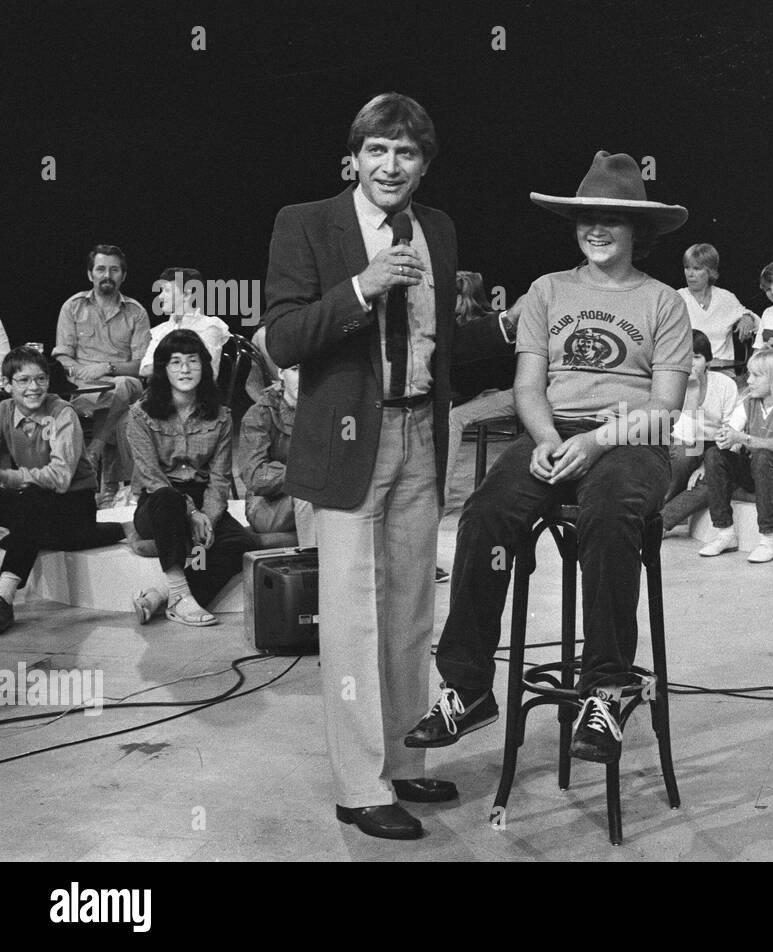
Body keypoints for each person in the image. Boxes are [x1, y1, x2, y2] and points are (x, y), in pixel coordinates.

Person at [263, 93, 506, 841]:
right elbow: (281, 338)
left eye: (406, 153)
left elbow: (433, 340)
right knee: (348, 619)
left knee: (408, 610)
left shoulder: (438, 229)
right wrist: (362, 289)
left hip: (419, 435)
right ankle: (358, 785)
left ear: (423, 165)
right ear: (355, 157)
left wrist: (507, 328)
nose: (390, 165)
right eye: (377, 150)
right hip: (346, 445)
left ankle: (403, 759)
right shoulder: (305, 223)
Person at [403, 150, 691, 769]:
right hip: (552, 431)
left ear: (637, 231)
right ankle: (469, 688)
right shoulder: (547, 291)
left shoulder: (664, 302)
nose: (596, 228)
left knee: (610, 513)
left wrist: (593, 443)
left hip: (631, 439)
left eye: (611, 219)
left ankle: (606, 691)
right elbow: (529, 387)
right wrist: (548, 440)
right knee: (485, 514)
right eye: (586, 216)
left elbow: (664, 408)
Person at [125, 330, 256, 627]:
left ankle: (162, 596)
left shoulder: (221, 416)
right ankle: (181, 594)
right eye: (175, 362)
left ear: (204, 366)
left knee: (238, 542)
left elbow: (220, 478)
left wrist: (207, 516)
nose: (185, 369)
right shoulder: (140, 415)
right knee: (168, 498)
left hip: (202, 497)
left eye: (193, 361)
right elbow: (152, 477)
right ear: (163, 369)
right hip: (158, 501)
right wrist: (191, 513)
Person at [0, 347, 124, 633]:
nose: (34, 388)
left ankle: (4, 596)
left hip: (72, 500)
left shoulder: (62, 413)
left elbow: (60, 477)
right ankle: (121, 529)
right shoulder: (5, 410)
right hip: (36, 502)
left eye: (41, 379)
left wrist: (9, 477)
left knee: (30, 502)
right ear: (7, 385)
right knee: (31, 508)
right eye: (23, 380)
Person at [53, 244, 151, 508]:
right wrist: (80, 373)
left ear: (123, 275)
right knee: (125, 417)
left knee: (125, 386)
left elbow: (142, 363)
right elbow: (61, 355)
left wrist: (107, 368)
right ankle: (109, 488)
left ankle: (93, 451)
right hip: (84, 392)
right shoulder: (72, 308)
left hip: (123, 386)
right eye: (101, 269)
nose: (107, 275)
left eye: (114, 269)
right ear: (90, 274)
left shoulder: (136, 312)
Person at [697, 346, 773, 563]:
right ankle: (725, 534)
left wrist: (741, 438)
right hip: (758, 471)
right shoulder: (748, 402)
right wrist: (725, 437)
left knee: (763, 455)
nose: (749, 381)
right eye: (749, 375)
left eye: (757, 376)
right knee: (713, 454)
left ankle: (769, 539)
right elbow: (733, 432)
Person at [443, 270, 519, 495]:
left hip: (515, 391)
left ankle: (441, 493)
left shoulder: (485, 328)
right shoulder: (461, 326)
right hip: (488, 391)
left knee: (453, 418)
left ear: (460, 298)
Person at [661, 330, 738, 534]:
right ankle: (654, 513)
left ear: (708, 361)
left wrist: (707, 464)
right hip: (682, 444)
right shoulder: (674, 387)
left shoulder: (725, 385)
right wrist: (692, 391)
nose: (691, 363)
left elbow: (732, 430)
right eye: (685, 358)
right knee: (682, 454)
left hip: (719, 447)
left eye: (696, 357)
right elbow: (684, 438)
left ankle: (658, 522)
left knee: (713, 482)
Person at [236, 366, 314, 544]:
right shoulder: (259, 414)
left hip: (314, 492)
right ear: (281, 373)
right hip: (266, 503)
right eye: (295, 369)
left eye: (309, 369)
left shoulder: (323, 410)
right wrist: (303, 475)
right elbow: (255, 476)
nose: (303, 378)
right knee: (310, 497)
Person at [677, 243, 756, 375]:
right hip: (689, 373)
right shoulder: (677, 299)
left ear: (710, 271)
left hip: (724, 374)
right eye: (686, 267)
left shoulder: (726, 298)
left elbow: (753, 319)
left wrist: (747, 318)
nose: (690, 274)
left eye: (697, 268)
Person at [140, 268, 231, 378]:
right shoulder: (161, 330)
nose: (160, 296)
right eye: (162, 290)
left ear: (187, 295)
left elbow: (206, 373)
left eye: (167, 291)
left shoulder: (209, 326)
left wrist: (161, 365)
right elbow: (144, 370)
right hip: (161, 392)